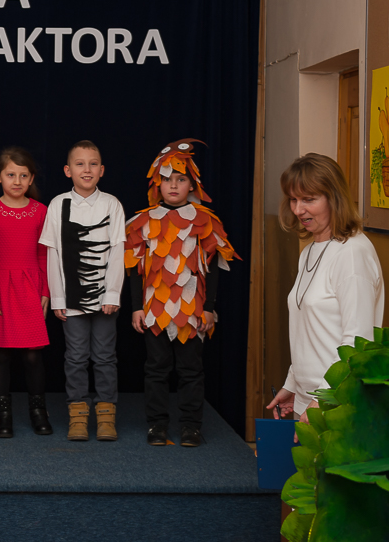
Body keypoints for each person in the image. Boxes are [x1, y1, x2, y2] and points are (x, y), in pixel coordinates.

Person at [125, 139, 238, 447]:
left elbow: (213, 268)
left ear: (192, 184)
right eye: (166, 179)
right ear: (157, 184)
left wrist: (209, 307)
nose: (173, 185)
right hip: (155, 309)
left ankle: (191, 426)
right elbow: (134, 268)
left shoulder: (205, 221)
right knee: (156, 368)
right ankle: (157, 425)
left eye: (180, 179)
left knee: (191, 369)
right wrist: (136, 307)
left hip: (191, 309)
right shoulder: (143, 222)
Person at [266, 153, 383, 428]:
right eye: (293, 199)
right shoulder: (309, 251)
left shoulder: (352, 253)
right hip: (308, 400)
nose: (298, 210)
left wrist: (322, 400)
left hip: (337, 403)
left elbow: (358, 341)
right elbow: (308, 330)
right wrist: (293, 384)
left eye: (309, 199)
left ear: (334, 198)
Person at [39, 140, 125, 442]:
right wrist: (58, 297)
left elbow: (118, 251)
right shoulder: (58, 204)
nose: (86, 169)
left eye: (93, 164)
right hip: (71, 298)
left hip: (104, 299)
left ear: (101, 170)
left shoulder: (112, 204)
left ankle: (106, 416)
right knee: (75, 357)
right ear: (68, 170)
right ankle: (77, 415)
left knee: (104, 357)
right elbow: (53, 254)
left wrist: (112, 294)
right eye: (79, 164)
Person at [0, 147, 52, 438]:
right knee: (1, 355)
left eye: (23, 175)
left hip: (30, 288)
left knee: (32, 356)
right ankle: (2, 415)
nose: (17, 181)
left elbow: (44, 254)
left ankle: (38, 411)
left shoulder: (40, 211)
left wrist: (46, 291)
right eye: (10, 175)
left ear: (31, 178)